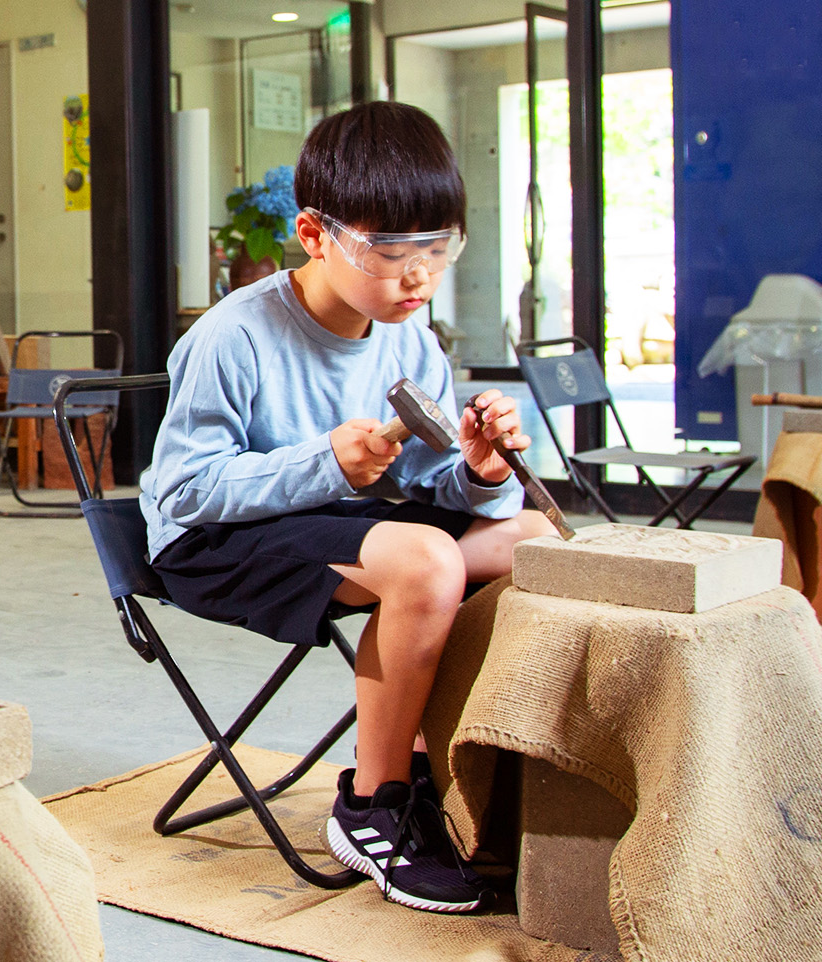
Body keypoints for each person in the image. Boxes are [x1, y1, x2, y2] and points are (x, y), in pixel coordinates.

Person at [139, 101, 558, 914]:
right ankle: (373, 805)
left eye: (437, 249)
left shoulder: (409, 338)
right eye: (391, 251)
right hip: (214, 539)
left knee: (532, 534)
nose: (418, 277)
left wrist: (478, 472)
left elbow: (440, 486)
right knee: (428, 562)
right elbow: (187, 489)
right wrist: (326, 461)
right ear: (313, 233)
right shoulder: (235, 337)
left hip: (339, 524)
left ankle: (454, 764)